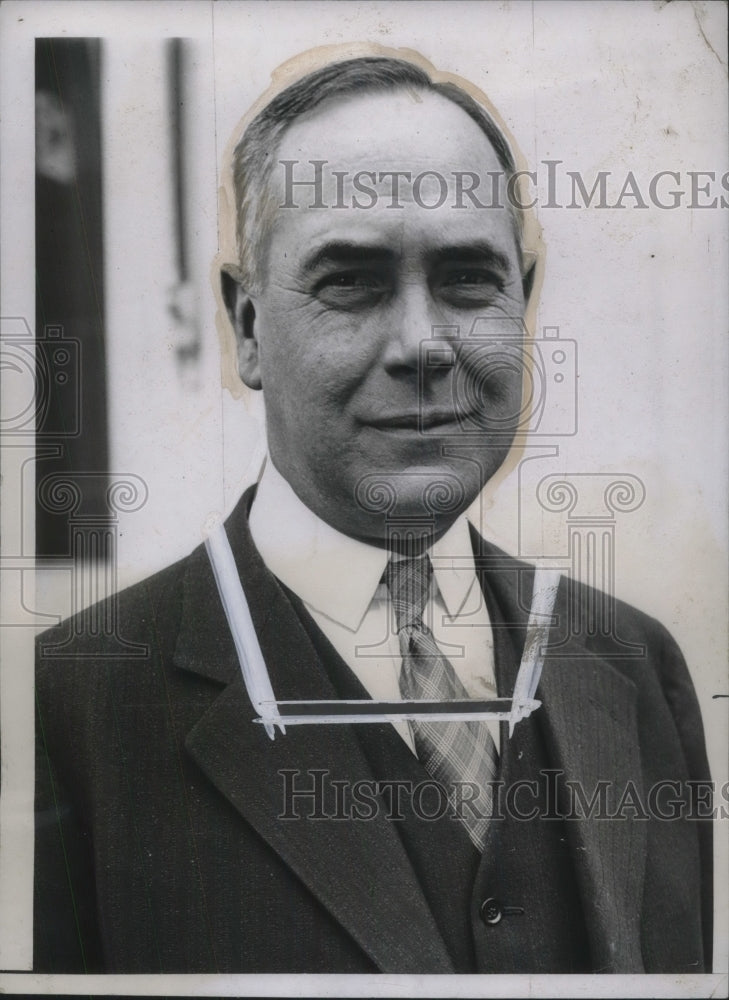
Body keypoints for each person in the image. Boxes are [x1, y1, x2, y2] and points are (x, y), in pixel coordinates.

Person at [34, 55, 712, 975]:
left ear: (525, 297)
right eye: (350, 284)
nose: (423, 345)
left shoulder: (633, 668)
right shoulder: (66, 705)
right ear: (246, 326)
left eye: (469, 279)